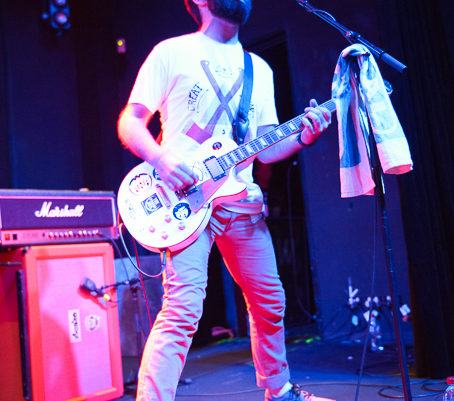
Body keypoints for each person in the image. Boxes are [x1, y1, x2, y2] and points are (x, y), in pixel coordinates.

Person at [117, 1, 332, 400]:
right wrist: (162, 160)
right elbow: (130, 122)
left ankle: (279, 390)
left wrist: (304, 136)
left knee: (269, 301)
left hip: (240, 201)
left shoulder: (259, 69)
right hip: (185, 203)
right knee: (182, 312)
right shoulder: (172, 52)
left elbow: (267, 147)